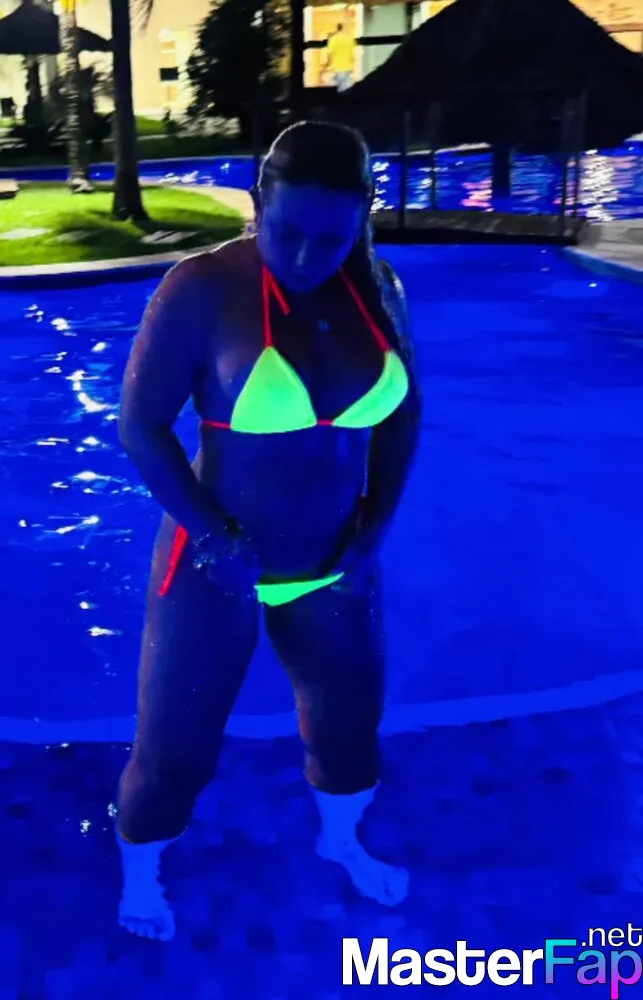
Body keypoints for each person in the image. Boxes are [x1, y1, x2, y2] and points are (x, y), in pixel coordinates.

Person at [115, 120, 422, 942]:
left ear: (362, 214)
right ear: (257, 202)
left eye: (332, 238)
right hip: (216, 566)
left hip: (335, 565)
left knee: (349, 733)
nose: (306, 256)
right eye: (285, 231)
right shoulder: (201, 289)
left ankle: (341, 842)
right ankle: (141, 881)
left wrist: (375, 528)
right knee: (175, 757)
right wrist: (214, 539)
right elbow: (141, 427)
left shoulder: (378, 289)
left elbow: (402, 416)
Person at [325, 23, 356, 92]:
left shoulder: (333, 39)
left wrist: (328, 65)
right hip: (348, 67)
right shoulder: (349, 39)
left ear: (337, 28)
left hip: (338, 67)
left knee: (339, 88)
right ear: (343, 28)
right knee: (347, 88)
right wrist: (353, 66)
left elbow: (330, 53)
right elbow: (352, 55)